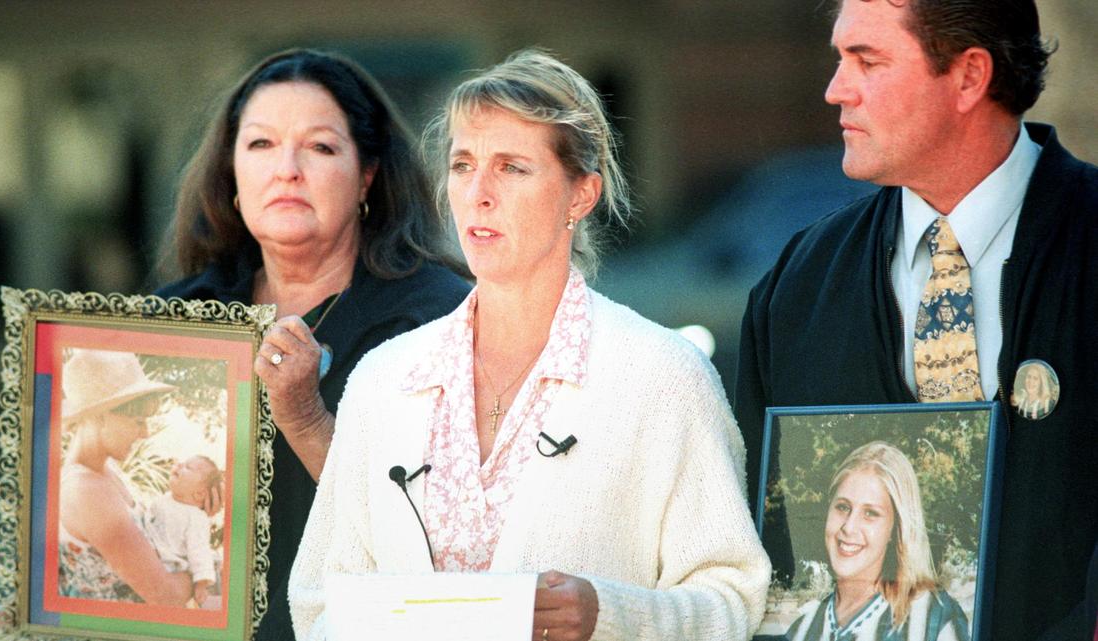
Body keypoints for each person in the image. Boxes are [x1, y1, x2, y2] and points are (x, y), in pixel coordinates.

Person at [288, 49, 771, 641]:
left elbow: (733, 598)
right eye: (463, 165)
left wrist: (609, 614)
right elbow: (319, 601)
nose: (478, 193)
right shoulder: (382, 380)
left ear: (581, 195)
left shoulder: (664, 376)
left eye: (512, 168)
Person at [733, 1, 1098, 640]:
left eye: (867, 62)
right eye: (839, 60)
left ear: (969, 76)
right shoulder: (796, 288)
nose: (835, 90)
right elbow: (757, 552)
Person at [154, 49, 471, 639]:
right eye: (260, 144)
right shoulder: (178, 315)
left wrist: (305, 416)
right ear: (231, 174)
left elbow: (441, 536)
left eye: (320, 147)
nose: (287, 169)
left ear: (366, 175)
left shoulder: (439, 319)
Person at [786, 442, 968, 641]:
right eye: (843, 507)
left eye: (870, 513)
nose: (849, 527)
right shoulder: (801, 630)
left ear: (895, 527)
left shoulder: (932, 620)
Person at [58, 349, 192, 605]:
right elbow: (167, 598)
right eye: (138, 421)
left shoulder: (104, 471)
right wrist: (203, 569)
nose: (146, 433)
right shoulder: (87, 491)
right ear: (99, 417)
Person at [145, 455, 222, 608]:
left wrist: (201, 583)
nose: (179, 464)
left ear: (199, 494)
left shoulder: (196, 518)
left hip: (173, 566)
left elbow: (199, 550)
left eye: (188, 467)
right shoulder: (166, 499)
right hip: (154, 556)